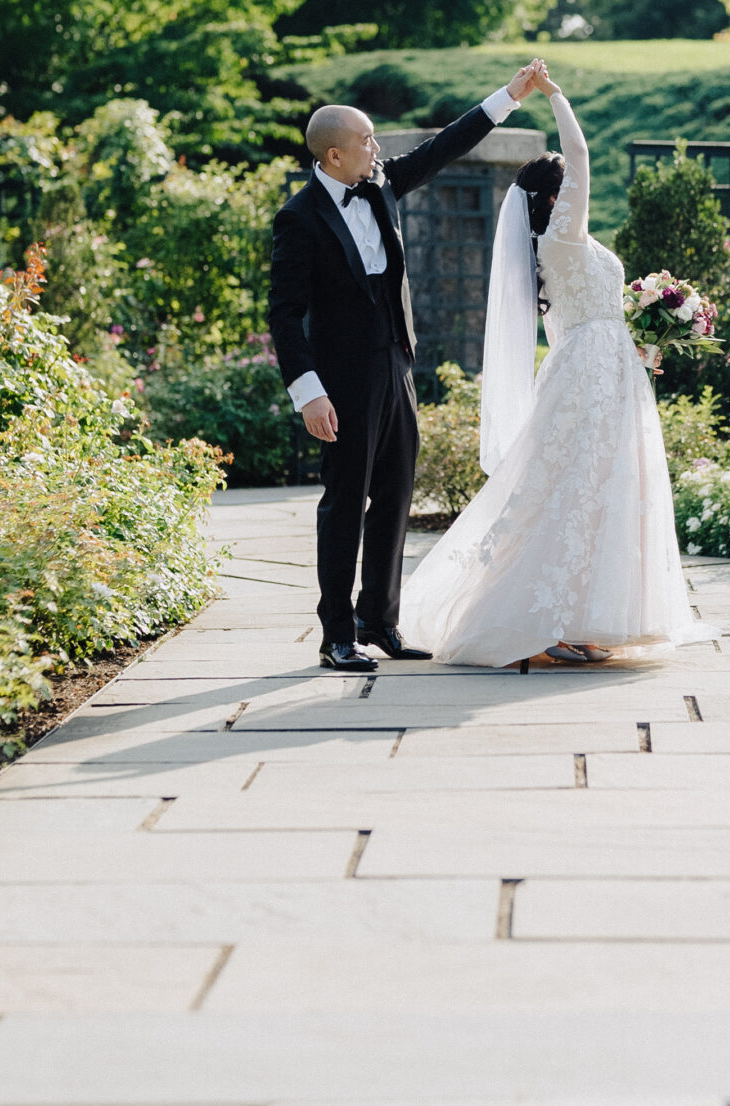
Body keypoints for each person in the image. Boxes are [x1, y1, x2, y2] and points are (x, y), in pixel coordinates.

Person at [401, 66, 697, 666]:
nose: (577, 192)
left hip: (595, 364)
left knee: (593, 488)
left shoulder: (553, 251)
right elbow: (581, 155)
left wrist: (637, 345)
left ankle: (578, 616)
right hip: (590, 373)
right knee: (577, 486)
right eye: (567, 186)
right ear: (554, 198)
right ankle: (546, 623)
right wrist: (555, 97)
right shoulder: (563, 238)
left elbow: (571, 322)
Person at [268, 60, 550, 670]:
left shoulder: (384, 184)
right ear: (334, 156)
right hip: (339, 381)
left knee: (395, 497)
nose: (377, 147)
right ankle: (336, 636)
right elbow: (285, 315)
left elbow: (444, 145)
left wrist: (510, 95)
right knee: (345, 504)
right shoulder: (298, 218)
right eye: (366, 140)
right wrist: (308, 391)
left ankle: (381, 623)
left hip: (395, 367)